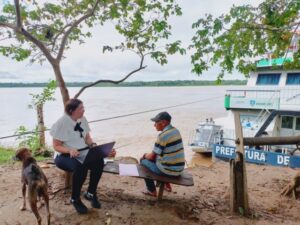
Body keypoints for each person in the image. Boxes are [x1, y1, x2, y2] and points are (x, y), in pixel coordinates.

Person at [50, 98, 116, 214]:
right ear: (71, 111)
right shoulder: (61, 123)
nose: (84, 110)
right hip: (63, 155)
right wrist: (69, 150)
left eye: (83, 108)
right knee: (81, 167)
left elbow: (87, 138)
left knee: (99, 161)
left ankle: (90, 193)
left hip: (83, 152)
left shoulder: (83, 119)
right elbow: (56, 146)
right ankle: (75, 198)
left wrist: (94, 147)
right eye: (81, 108)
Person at [140, 111, 185, 197]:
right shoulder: (176, 131)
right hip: (179, 169)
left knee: (143, 161)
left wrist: (144, 155)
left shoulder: (163, 135)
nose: (154, 125)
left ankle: (151, 190)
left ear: (163, 122)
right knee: (159, 159)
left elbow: (151, 157)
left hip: (169, 171)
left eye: (156, 122)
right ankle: (166, 185)